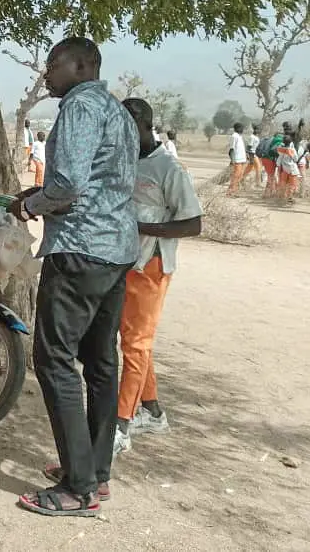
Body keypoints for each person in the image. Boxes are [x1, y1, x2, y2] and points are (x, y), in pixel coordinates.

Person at [10, 36, 139, 518]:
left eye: (54, 65)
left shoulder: (81, 107)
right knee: (101, 361)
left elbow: (67, 187)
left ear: (83, 65)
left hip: (81, 249)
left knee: (55, 359)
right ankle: (96, 472)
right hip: (116, 249)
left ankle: (77, 487)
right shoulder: (118, 111)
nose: (47, 74)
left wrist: (30, 204)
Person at [115, 99, 202, 457]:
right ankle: (151, 409)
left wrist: (143, 227)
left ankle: (120, 425)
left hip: (150, 268)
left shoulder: (169, 169)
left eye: (126, 127)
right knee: (133, 339)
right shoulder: (124, 162)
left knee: (136, 345)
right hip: (123, 265)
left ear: (144, 124)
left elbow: (193, 223)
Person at [276, 131, 302, 205]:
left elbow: (279, 152)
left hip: (284, 169)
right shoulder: (292, 150)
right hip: (292, 169)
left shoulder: (280, 149)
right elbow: (296, 159)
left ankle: (282, 197)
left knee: (284, 183)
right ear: (291, 142)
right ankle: (290, 197)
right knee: (292, 184)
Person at [227, 122, 247, 195]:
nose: (243, 130)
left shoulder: (239, 136)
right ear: (237, 128)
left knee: (239, 176)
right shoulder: (234, 136)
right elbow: (231, 149)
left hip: (242, 160)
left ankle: (235, 191)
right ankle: (230, 192)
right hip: (237, 160)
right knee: (235, 176)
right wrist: (233, 160)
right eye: (242, 128)